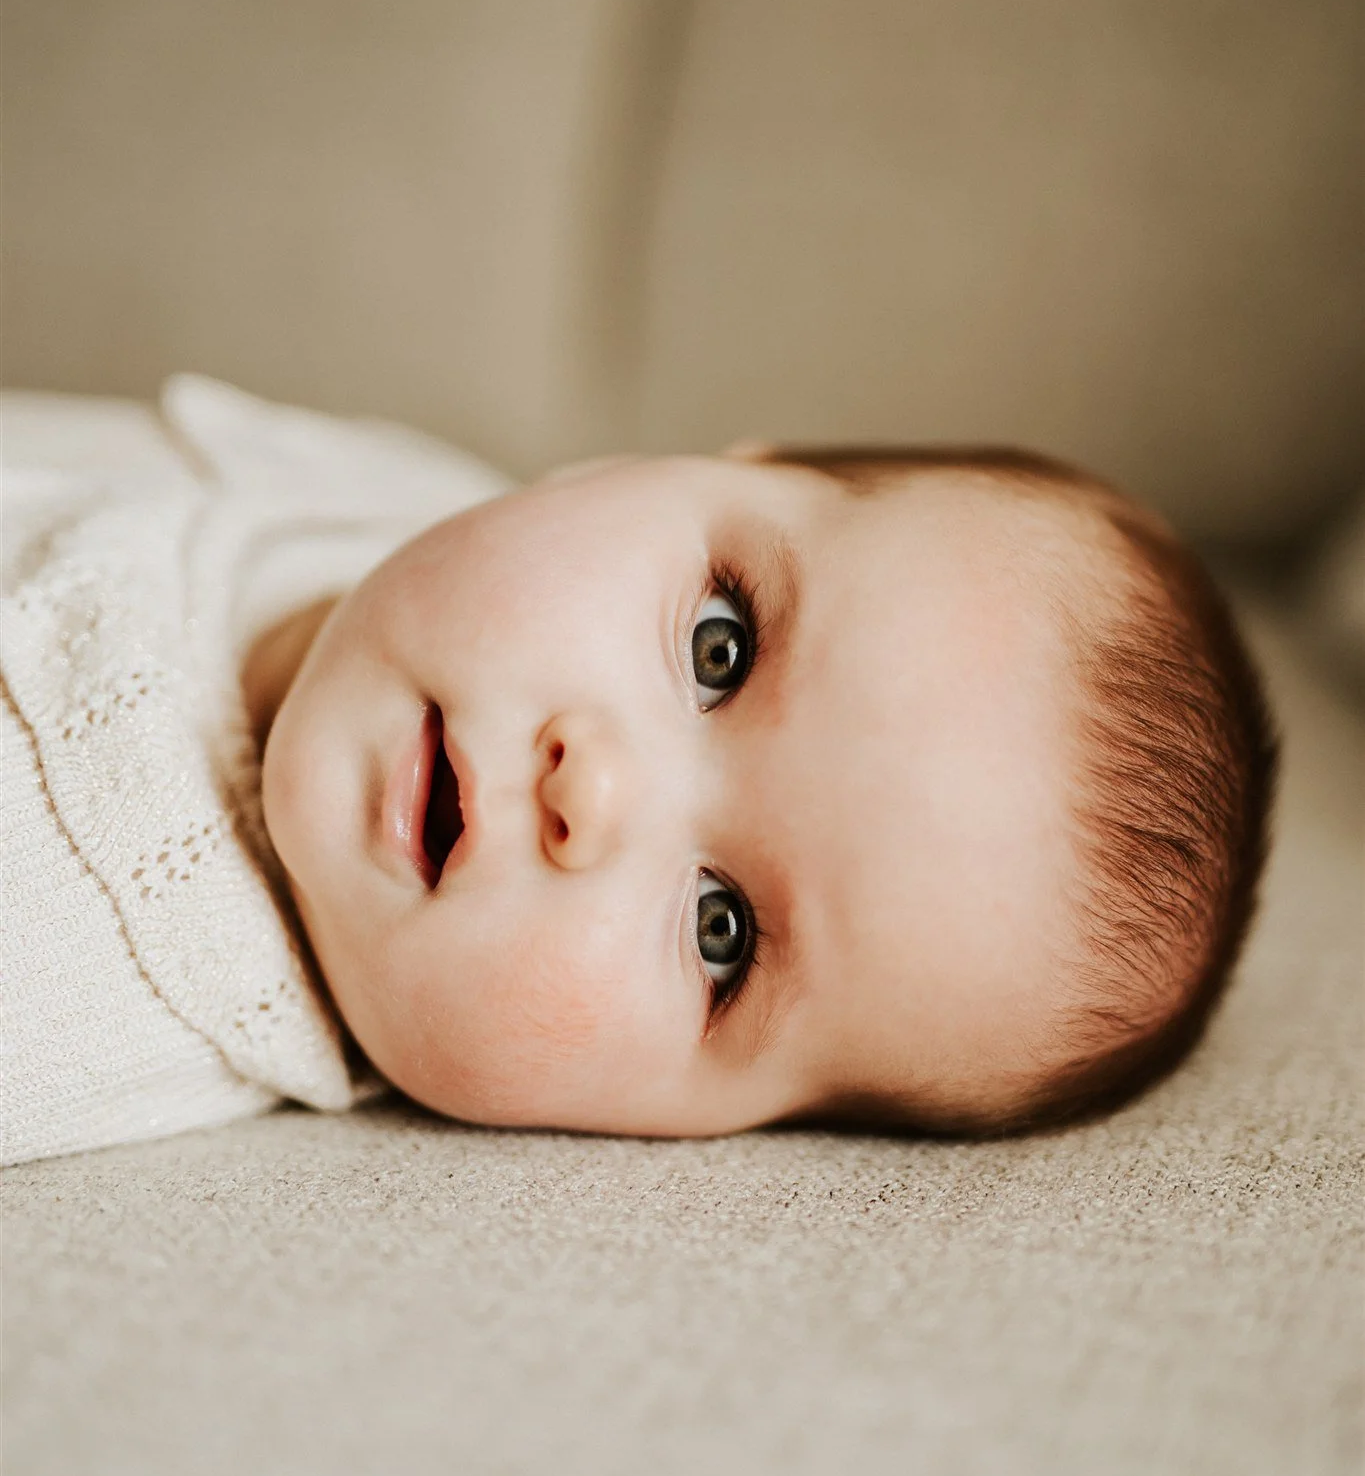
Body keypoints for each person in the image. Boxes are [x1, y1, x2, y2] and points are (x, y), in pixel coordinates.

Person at [1, 378, 1276, 1166]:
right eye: (720, 645)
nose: (589, 794)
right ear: (679, 467)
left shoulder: (63, 999)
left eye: (723, 932)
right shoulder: (397, 497)